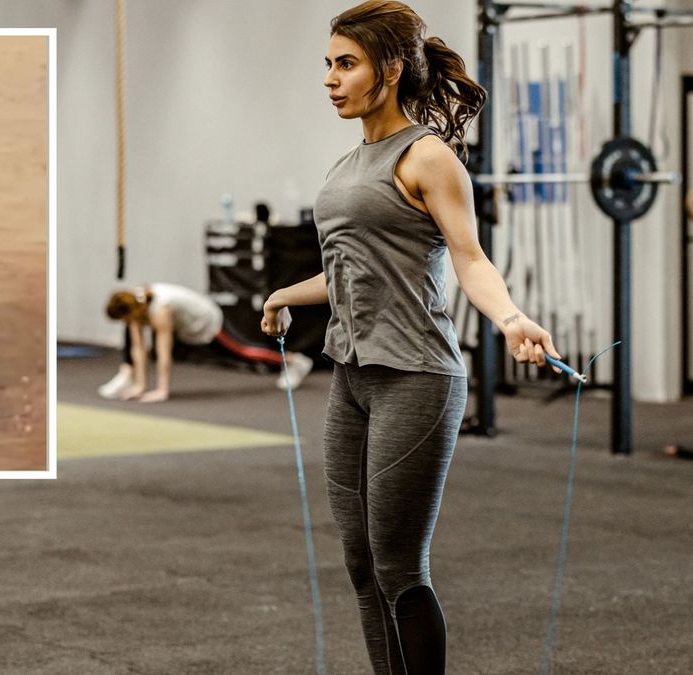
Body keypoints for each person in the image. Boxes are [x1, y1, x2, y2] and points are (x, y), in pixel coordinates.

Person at [260, 2, 562, 673]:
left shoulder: (429, 156)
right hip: (352, 377)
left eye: (347, 64)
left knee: (398, 563)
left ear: (389, 70)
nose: (331, 79)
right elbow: (348, 271)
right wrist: (284, 293)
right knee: (360, 561)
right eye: (329, 65)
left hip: (416, 378)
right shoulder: (346, 166)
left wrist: (510, 318)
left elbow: (470, 258)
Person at [98, 282, 313, 402]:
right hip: (189, 328)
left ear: (129, 313)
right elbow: (139, 348)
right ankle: (129, 379)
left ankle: (295, 361)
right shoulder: (135, 308)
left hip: (207, 321)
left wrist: (161, 391)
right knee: (236, 354)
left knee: (242, 352)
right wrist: (140, 386)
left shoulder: (160, 309)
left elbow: (164, 352)